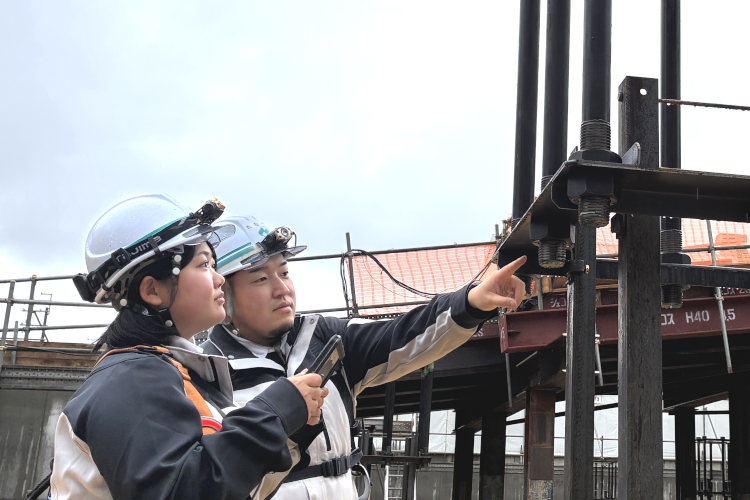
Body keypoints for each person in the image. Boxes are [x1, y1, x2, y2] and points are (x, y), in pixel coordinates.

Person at [202, 215, 527, 500]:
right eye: (260, 278)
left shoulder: (322, 337)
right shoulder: (203, 374)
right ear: (222, 294)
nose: (282, 289)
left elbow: (403, 335)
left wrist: (470, 303)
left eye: (284, 272)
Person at [50, 195, 328, 500]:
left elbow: (229, 487)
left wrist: (291, 428)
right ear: (152, 290)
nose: (220, 279)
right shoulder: (133, 379)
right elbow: (182, 491)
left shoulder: (168, 372)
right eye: (204, 265)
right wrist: (276, 410)